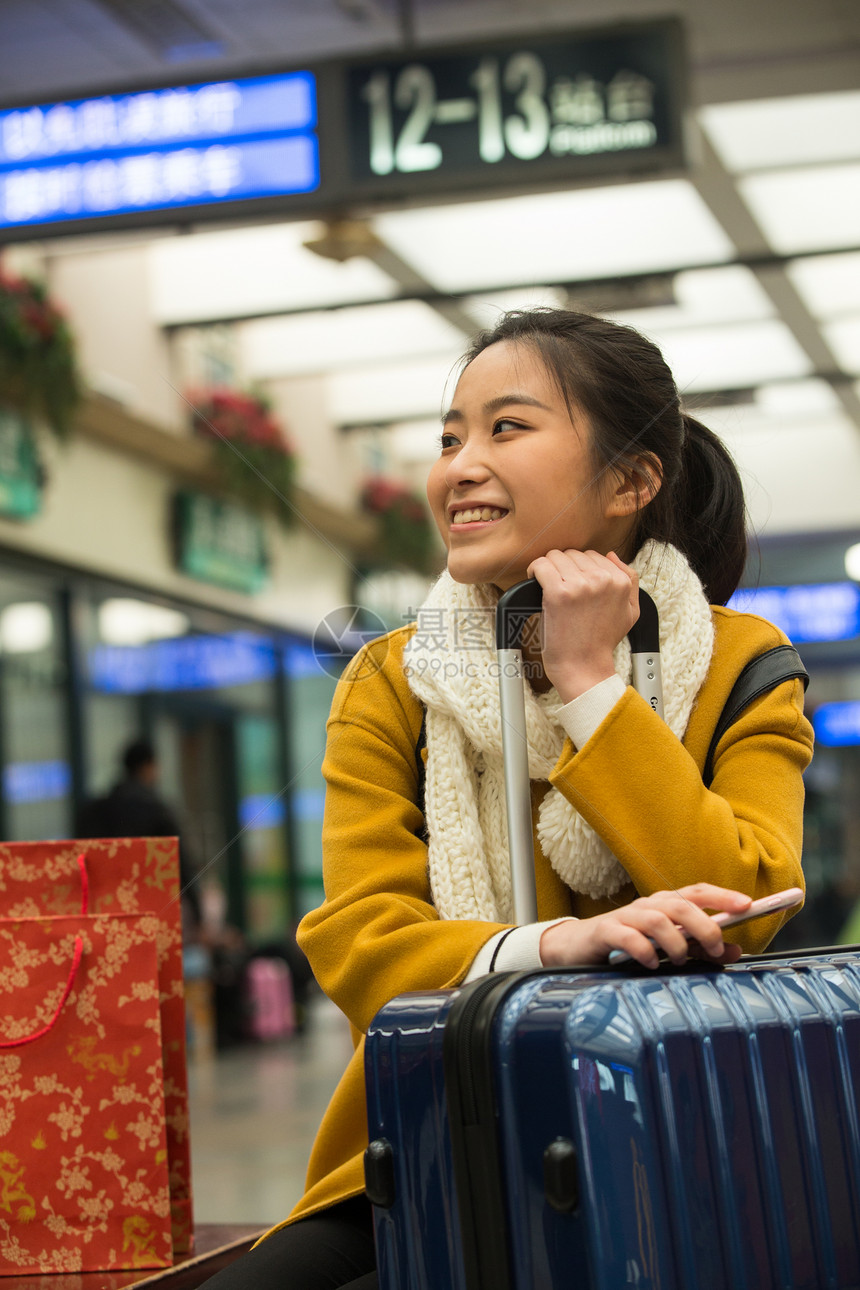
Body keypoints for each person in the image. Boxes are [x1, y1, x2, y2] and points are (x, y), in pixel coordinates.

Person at [199, 309, 813, 1289]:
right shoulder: (389, 679)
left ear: (630, 481)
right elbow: (358, 940)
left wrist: (589, 686)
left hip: (676, 1140)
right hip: (432, 1139)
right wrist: (545, 952)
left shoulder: (739, 662)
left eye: (505, 427)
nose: (458, 465)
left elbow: (746, 899)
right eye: (449, 436)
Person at [76, 736, 201, 932]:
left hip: (102, 911)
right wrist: (199, 917)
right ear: (148, 767)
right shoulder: (157, 810)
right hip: (148, 911)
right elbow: (181, 864)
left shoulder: (94, 810)